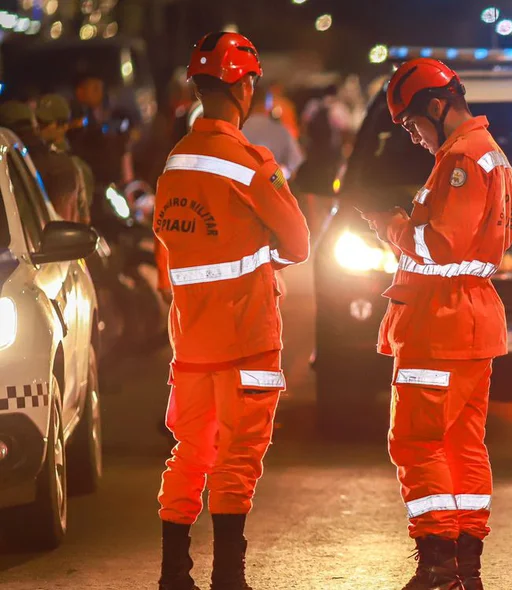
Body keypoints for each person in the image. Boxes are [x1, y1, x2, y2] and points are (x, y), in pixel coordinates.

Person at [152, 32, 310, 590]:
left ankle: (175, 573)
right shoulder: (249, 162)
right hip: (247, 333)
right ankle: (229, 578)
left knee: (190, 451)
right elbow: (297, 243)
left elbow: (172, 248)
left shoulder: (177, 160)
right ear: (243, 87)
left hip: (190, 338)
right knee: (238, 455)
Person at [360, 57, 512, 590]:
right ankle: (464, 567)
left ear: (436, 106)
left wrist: (391, 225)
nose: (411, 136)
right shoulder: (491, 157)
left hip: (439, 323)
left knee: (417, 442)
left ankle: (436, 567)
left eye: (411, 124)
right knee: (463, 445)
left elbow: (437, 245)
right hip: (471, 320)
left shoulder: (462, 159)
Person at [37, 94, 95, 223]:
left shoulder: (75, 165)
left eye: (46, 123)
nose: (40, 128)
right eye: (38, 122)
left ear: (63, 126)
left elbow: (83, 217)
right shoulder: (33, 156)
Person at [242, 89, 304, 180]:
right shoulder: (281, 130)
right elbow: (294, 165)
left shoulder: (237, 127)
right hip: (270, 190)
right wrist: (274, 180)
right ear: (267, 104)